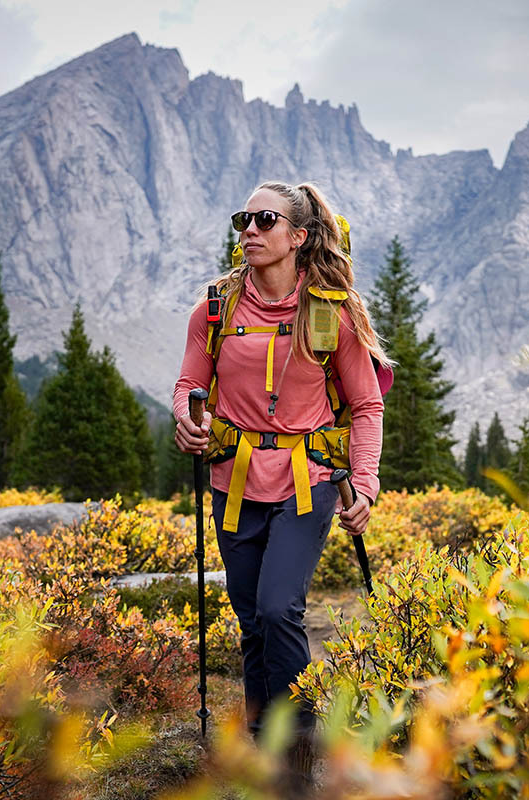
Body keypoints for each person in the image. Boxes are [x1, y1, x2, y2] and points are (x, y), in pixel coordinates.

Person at [173, 180, 388, 771]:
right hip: (233, 482)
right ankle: (263, 745)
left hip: (307, 480)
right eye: (243, 219)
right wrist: (187, 419)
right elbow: (189, 383)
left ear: (297, 236)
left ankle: (297, 750)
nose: (250, 230)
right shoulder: (213, 309)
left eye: (265, 220)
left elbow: (366, 405)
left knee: (277, 609)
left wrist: (364, 484)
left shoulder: (331, 313)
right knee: (251, 621)